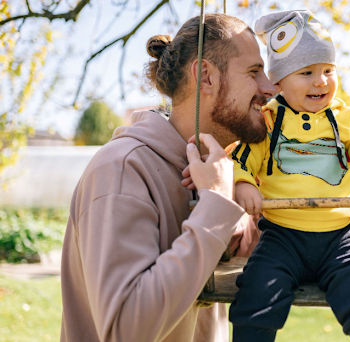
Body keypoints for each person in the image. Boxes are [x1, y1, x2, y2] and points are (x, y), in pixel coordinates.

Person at [60, 14, 276, 342]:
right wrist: (216, 206)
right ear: (205, 76)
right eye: (253, 72)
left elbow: (243, 251)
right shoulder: (120, 170)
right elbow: (125, 330)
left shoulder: (214, 171)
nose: (270, 88)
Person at [228, 10, 350, 342]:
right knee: (256, 293)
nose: (321, 81)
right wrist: (243, 182)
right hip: (282, 237)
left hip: (343, 236)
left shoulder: (347, 118)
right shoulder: (268, 120)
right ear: (278, 81)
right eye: (306, 72)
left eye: (328, 71)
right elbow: (243, 158)